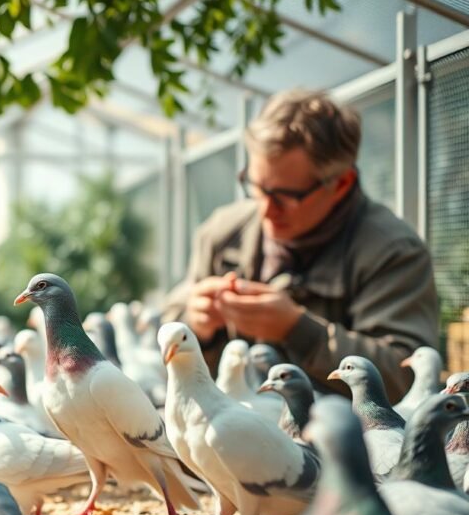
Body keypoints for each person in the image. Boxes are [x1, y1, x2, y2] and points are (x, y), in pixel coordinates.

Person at [162, 89, 439, 401]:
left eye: (285, 196)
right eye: (256, 187)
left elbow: (407, 380)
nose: (265, 209)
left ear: (341, 183)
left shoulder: (393, 252)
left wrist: (299, 331)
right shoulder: (222, 233)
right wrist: (195, 324)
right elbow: (162, 332)